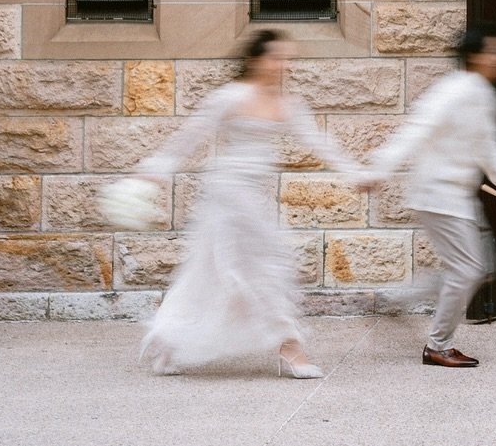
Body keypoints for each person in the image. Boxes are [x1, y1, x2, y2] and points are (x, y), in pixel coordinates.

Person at [135, 29, 360, 378]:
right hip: (225, 195)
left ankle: (170, 343)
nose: (282, 64)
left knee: (234, 273)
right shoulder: (230, 96)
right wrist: (157, 168)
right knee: (254, 268)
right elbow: (191, 135)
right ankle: (290, 351)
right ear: (256, 59)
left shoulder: (288, 105)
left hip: (253, 198)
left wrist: (356, 174)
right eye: (276, 57)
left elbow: (320, 143)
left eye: (287, 58)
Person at [360, 24, 496, 368]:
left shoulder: (486, 95)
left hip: (459, 196)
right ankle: (438, 346)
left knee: (481, 267)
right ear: (476, 56)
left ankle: (398, 299)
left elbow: (487, 147)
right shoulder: (453, 91)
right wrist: (379, 168)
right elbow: (417, 128)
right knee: (467, 270)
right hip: (437, 194)